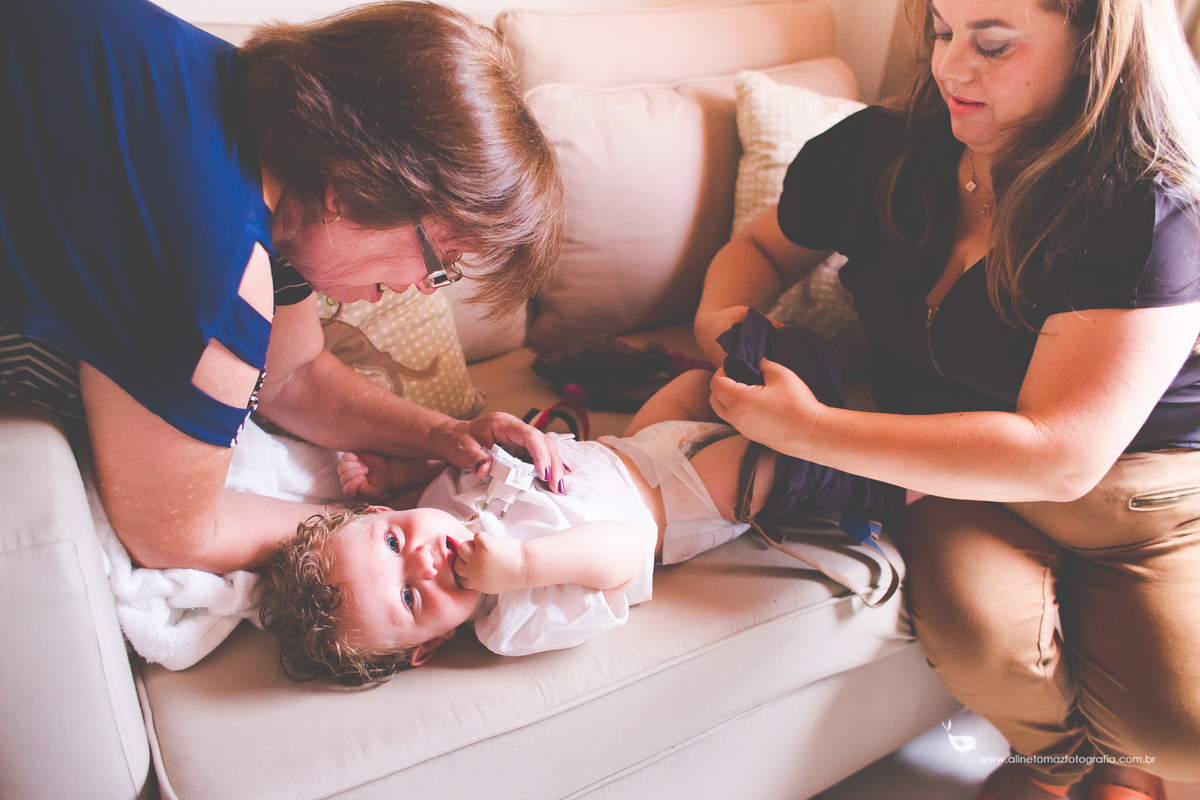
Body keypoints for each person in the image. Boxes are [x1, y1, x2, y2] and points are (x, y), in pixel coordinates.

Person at [694, 0, 1200, 796]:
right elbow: (760, 246)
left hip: (1137, 491)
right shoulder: (878, 150)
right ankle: (1071, 767)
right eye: (942, 30)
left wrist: (813, 431)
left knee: (1184, 735)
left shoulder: (1146, 206)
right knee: (978, 639)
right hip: (948, 468)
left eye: (992, 46)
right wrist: (720, 320)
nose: (949, 67)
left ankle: (1132, 760)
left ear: (1093, 48)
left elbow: (1061, 457)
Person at [0, 0, 565, 574]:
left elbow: (292, 376)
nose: (424, 287)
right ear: (361, 183)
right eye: (439, 260)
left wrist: (446, 436)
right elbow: (175, 537)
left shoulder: (238, 106)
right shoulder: (215, 264)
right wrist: (394, 524)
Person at [256, 328, 910, 686]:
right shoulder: (508, 622)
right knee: (786, 458)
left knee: (707, 381)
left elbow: (441, 458)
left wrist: (388, 470)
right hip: (681, 501)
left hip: (635, 444)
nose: (424, 562)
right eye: (409, 601)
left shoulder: (432, 503)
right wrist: (519, 566)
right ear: (427, 647)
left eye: (395, 544)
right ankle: (905, 474)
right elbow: (622, 553)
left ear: (381, 519)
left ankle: (805, 384)